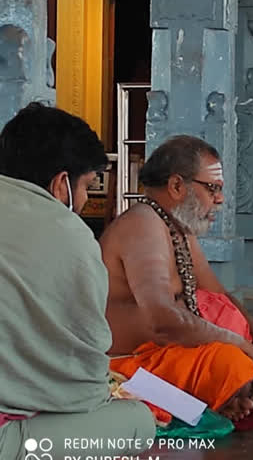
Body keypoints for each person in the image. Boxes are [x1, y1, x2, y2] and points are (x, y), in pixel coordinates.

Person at [102, 135, 253, 423]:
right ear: (177, 186)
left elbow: (217, 292)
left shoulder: (177, 229)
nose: (220, 199)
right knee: (233, 366)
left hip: (167, 358)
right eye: (212, 188)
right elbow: (162, 318)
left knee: (233, 335)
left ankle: (223, 397)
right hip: (126, 369)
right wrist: (248, 350)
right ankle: (219, 397)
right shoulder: (142, 225)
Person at [0, 103, 155, 459]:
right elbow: (80, 386)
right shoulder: (68, 233)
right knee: (138, 420)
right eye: (86, 186)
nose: (85, 200)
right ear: (60, 184)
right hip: (9, 437)